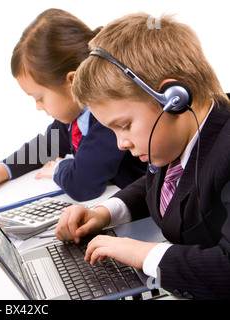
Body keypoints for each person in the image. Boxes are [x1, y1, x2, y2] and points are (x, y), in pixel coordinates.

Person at [56, 12, 230, 299]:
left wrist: (143, 254)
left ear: (175, 99)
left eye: (124, 126)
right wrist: (104, 214)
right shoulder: (174, 140)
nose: (121, 143)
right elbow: (162, 187)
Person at [0, 9, 146, 201]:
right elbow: (45, 146)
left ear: (72, 82)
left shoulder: (107, 118)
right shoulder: (74, 116)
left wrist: (59, 168)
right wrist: (1, 170)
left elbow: (82, 186)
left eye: (40, 98)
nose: (38, 107)